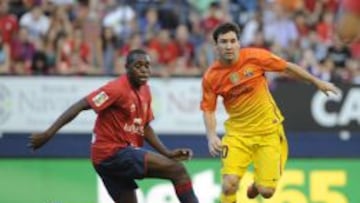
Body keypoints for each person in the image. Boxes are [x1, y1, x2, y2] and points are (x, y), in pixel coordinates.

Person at [28, 49, 199, 203]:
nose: (144, 70)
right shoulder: (116, 89)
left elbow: (144, 126)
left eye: (147, 66)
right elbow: (80, 105)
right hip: (112, 153)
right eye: (138, 65)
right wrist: (48, 134)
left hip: (108, 158)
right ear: (127, 68)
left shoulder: (145, 90)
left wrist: (167, 152)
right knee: (178, 171)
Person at [200, 22, 339, 203]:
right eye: (223, 42)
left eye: (232, 41)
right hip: (237, 134)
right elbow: (208, 109)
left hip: (269, 132)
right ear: (216, 45)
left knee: (266, 192)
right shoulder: (211, 76)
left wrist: (317, 82)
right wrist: (211, 136)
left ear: (239, 43)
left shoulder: (255, 57)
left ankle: (257, 185)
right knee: (229, 184)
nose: (228, 46)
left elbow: (287, 67)